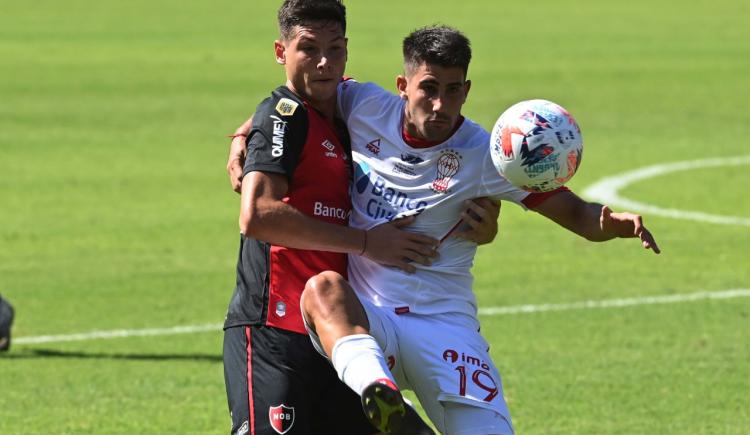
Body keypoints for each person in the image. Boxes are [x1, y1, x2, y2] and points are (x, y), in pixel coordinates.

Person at [295, 25, 661, 435]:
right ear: (402, 84)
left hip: (444, 325)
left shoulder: (488, 157)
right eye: (428, 88)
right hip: (374, 319)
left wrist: (609, 224)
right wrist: (247, 133)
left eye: (453, 90)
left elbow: (576, 214)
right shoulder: (361, 104)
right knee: (323, 289)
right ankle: (381, 395)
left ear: (466, 91)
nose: (440, 104)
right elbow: (297, 97)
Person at [222, 2, 499, 434]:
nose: (324, 63)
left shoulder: (353, 112)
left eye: (334, 50)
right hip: (276, 330)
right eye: (308, 49)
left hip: (342, 335)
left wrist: (482, 225)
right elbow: (257, 214)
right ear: (281, 51)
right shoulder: (283, 117)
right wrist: (368, 242)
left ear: (347, 51)